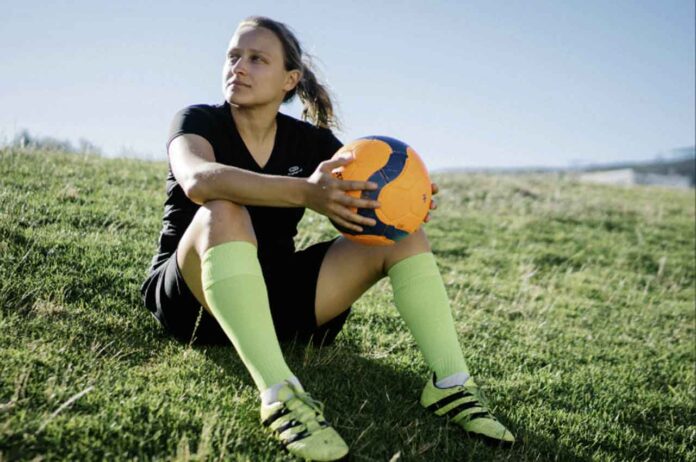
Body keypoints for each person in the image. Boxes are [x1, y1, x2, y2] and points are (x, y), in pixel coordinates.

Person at [140, 16, 515, 461]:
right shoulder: (198, 120)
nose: (238, 67)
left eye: (257, 59)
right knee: (223, 209)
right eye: (233, 56)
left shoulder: (310, 142)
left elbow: (361, 193)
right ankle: (281, 395)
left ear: (289, 80)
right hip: (193, 299)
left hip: (276, 298)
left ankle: (451, 385)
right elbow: (199, 180)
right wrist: (305, 192)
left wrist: (404, 201)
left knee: (404, 235)